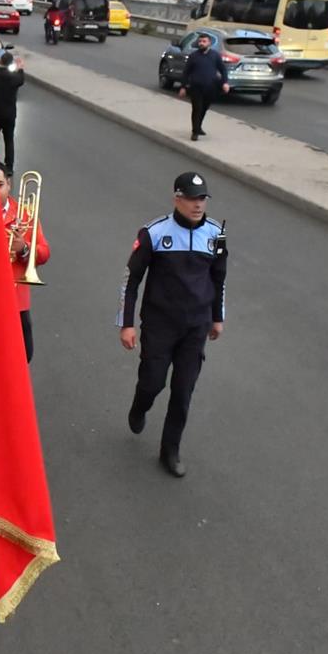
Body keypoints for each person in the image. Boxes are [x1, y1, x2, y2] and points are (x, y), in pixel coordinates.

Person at [117, 171, 228, 477]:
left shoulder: (217, 235)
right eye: (192, 198)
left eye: (203, 198)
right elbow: (132, 279)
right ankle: (140, 405)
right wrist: (126, 323)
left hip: (196, 326)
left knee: (183, 391)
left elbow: (219, 277)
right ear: (177, 198)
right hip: (160, 324)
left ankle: (170, 450)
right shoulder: (153, 233)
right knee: (153, 382)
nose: (198, 205)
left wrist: (218, 317)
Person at [0, 162, 49, 362]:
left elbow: (44, 253)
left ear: (9, 184)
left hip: (16, 298)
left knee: (23, 354)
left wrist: (24, 248)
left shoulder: (25, 213)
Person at [179, 32, 230, 141]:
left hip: (210, 87)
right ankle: (195, 132)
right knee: (197, 108)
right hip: (196, 87)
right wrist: (183, 86)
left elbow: (223, 69)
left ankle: (199, 127)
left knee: (204, 108)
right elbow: (186, 72)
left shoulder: (215, 55)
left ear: (209, 43)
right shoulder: (194, 56)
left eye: (204, 41)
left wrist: (225, 82)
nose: (201, 43)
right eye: (200, 41)